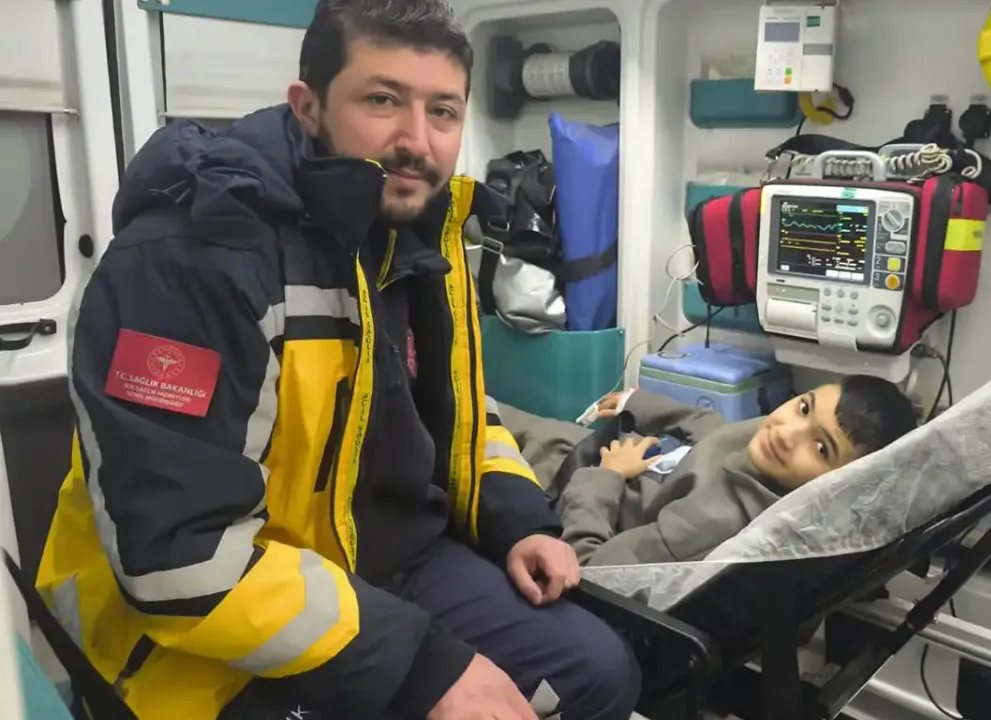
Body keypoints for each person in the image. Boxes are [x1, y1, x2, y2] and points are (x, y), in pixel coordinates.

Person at [35, 1, 640, 719]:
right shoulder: (191, 261)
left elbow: (461, 411)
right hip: (202, 620)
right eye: (382, 100)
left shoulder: (416, 234)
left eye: (442, 111)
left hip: (377, 561)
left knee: (597, 673)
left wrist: (518, 519)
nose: (416, 140)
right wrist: (421, 667)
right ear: (309, 107)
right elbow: (175, 555)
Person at [500, 375, 919, 566]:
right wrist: (638, 404)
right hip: (599, 458)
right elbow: (718, 430)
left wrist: (607, 477)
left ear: (839, 486)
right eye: (804, 407)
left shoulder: (707, 527)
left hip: (561, 483)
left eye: (821, 447)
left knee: (471, 415)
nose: (786, 431)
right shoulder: (775, 456)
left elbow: (586, 567)